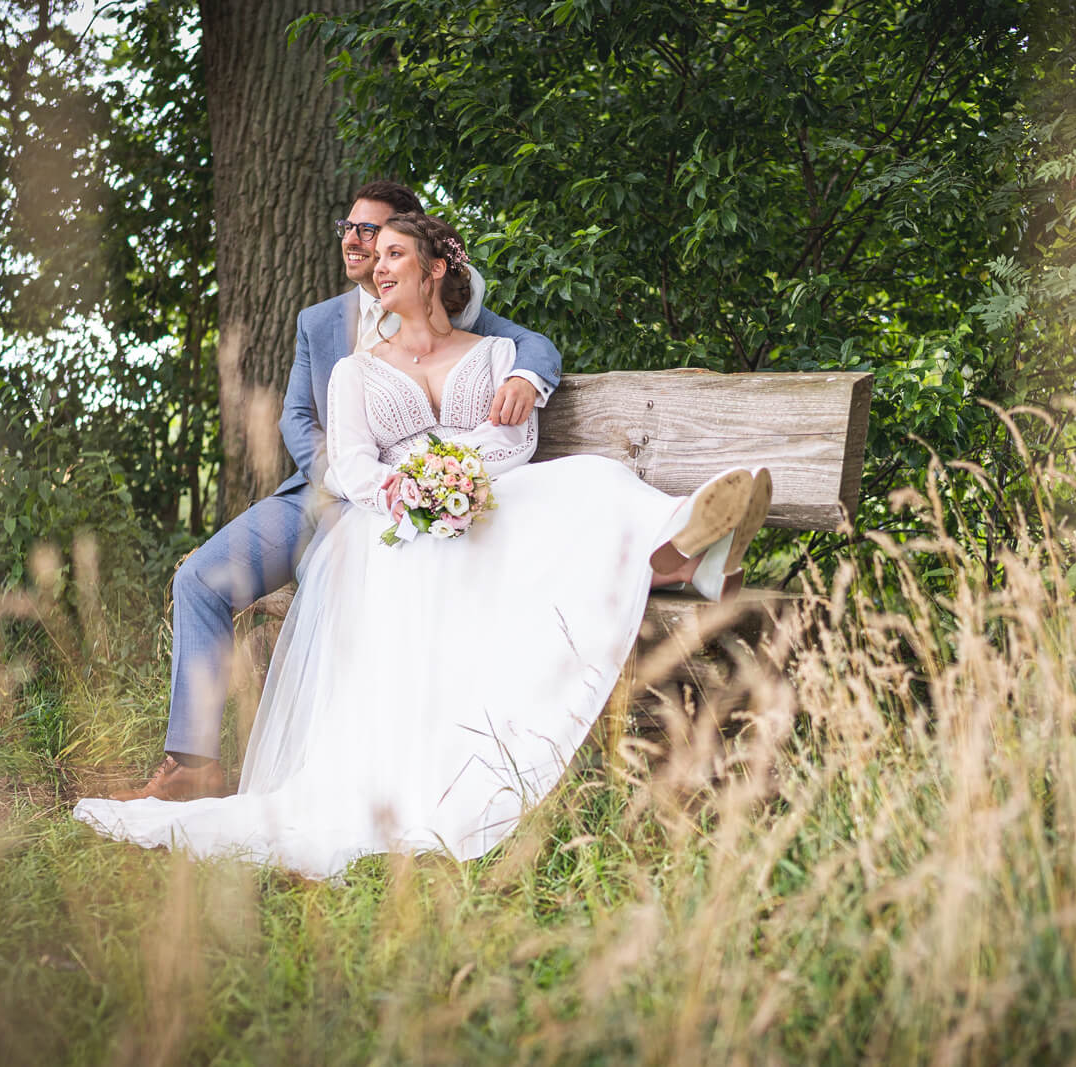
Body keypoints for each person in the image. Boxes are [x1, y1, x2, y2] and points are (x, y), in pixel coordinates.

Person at [75, 214, 772, 879]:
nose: (378, 267)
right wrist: (418, 491)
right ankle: (697, 563)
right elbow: (350, 464)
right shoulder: (355, 372)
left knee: (591, 477)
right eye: (373, 259)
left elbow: (514, 441)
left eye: (394, 255)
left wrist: (462, 481)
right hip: (391, 523)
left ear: (438, 267)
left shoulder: (499, 354)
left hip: (486, 498)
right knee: (455, 547)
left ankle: (693, 537)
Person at [111, 181, 562, 803]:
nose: (355, 242)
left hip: (431, 495)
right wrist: (352, 480)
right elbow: (298, 418)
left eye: (370, 232)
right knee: (199, 581)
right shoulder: (319, 323)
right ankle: (192, 764)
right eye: (348, 229)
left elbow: (530, 345)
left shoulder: (451, 304)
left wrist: (526, 377)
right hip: (323, 494)